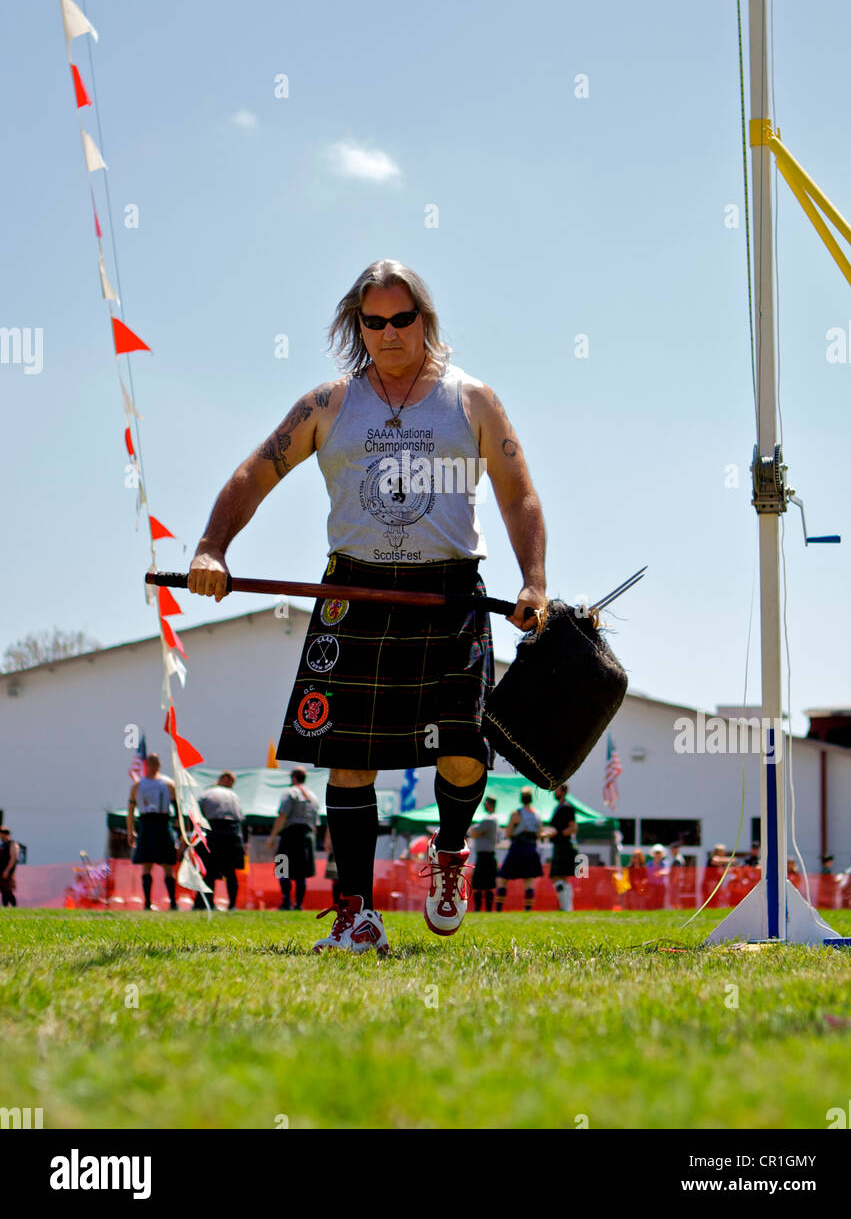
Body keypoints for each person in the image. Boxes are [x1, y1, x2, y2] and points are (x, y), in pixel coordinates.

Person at [187, 261, 546, 954]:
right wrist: (210, 548)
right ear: (359, 325)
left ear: (425, 319)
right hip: (353, 591)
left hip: (450, 594)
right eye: (373, 322)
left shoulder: (472, 400)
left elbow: (518, 493)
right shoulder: (328, 403)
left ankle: (448, 853)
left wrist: (533, 580)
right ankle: (357, 913)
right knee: (348, 761)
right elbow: (254, 472)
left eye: (401, 319)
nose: (388, 334)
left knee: (466, 750)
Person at [127, 754, 178, 910]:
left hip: (163, 823)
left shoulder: (168, 784)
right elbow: (130, 811)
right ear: (146, 764)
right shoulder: (138, 786)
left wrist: (180, 832)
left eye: (155, 763)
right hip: (146, 824)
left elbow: (177, 809)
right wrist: (131, 831)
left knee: (168, 864)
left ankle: (173, 903)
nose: (153, 765)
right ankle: (147, 903)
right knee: (146, 864)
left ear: (160, 764)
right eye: (150, 763)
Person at [268, 768, 320, 910]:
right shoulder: (313, 796)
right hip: (307, 837)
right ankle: (298, 904)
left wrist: (272, 836)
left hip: (290, 835)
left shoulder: (289, 792)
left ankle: (286, 901)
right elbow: (316, 823)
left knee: (283, 868)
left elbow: (282, 816)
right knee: (301, 872)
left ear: (293, 778)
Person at [194, 771, 245, 910]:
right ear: (225, 779)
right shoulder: (234, 795)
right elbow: (240, 817)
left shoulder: (206, 794)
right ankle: (232, 905)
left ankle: (207, 904)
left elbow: (196, 816)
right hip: (233, 833)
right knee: (230, 871)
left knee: (209, 870)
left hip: (213, 832)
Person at [495, 787, 544, 912]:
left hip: (517, 847)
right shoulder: (537, 814)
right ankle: (528, 908)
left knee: (502, 878)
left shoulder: (516, 813)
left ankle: (499, 908)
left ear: (521, 798)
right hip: (532, 848)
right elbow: (540, 834)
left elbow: (508, 833)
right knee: (529, 880)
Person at [543, 784, 578, 911]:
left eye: (556, 789)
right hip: (559, 845)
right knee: (561, 877)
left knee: (557, 876)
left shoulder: (567, 807)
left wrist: (559, 834)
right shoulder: (559, 807)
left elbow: (573, 828)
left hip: (564, 845)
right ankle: (567, 907)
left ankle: (566, 907)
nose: (554, 792)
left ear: (562, 791)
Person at [468, 795, 499, 912]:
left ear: (489, 804)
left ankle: (481, 909)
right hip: (487, 855)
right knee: (485, 885)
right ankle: (486, 909)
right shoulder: (493, 819)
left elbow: (473, 831)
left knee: (481, 885)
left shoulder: (489, 819)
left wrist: (475, 831)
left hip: (485, 856)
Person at [0, 827, 19, 907]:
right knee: (3, 891)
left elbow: (13, 858)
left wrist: (7, 870)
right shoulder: (2, 845)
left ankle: (14, 906)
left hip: (8, 872)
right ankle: (5, 907)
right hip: (1, 870)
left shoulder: (12, 844)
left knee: (8, 891)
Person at [646, 843, 668, 909]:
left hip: (661, 886)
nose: (658, 855)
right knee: (651, 900)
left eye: (659, 853)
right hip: (651, 885)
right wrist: (659, 873)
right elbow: (648, 874)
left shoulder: (664, 863)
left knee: (660, 901)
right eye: (656, 853)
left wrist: (659, 873)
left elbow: (667, 871)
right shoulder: (649, 864)